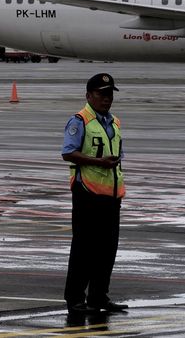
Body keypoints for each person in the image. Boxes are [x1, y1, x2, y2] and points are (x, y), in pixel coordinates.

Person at [62, 72, 128, 315]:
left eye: (109, 94)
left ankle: (99, 296)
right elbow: (68, 153)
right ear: (89, 96)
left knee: (107, 249)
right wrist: (98, 162)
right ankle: (75, 300)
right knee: (83, 249)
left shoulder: (115, 123)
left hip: (111, 195)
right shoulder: (79, 121)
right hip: (87, 193)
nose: (106, 99)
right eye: (101, 94)